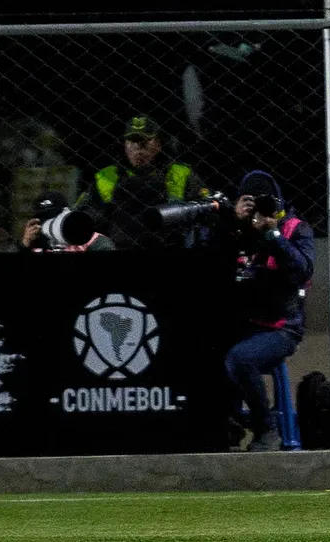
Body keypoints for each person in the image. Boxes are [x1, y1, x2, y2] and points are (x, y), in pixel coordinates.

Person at [224, 170, 314, 451]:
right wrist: (232, 221)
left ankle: (267, 429)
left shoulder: (294, 229)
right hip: (240, 322)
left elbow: (302, 271)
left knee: (241, 359)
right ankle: (229, 422)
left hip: (281, 326)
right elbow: (203, 254)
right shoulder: (236, 230)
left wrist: (272, 234)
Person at [75, 115, 208, 251]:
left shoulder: (180, 173)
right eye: (132, 141)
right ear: (125, 145)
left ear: (158, 144)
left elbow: (207, 208)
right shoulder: (106, 177)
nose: (138, 147)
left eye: (145, 141)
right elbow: (82, 216)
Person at [18, 191, 115, 252]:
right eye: (43, 218)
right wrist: (23, 245)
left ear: (67, 214)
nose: (49, 222)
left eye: (54, 216)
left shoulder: (90, 239)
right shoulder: (34, 243)